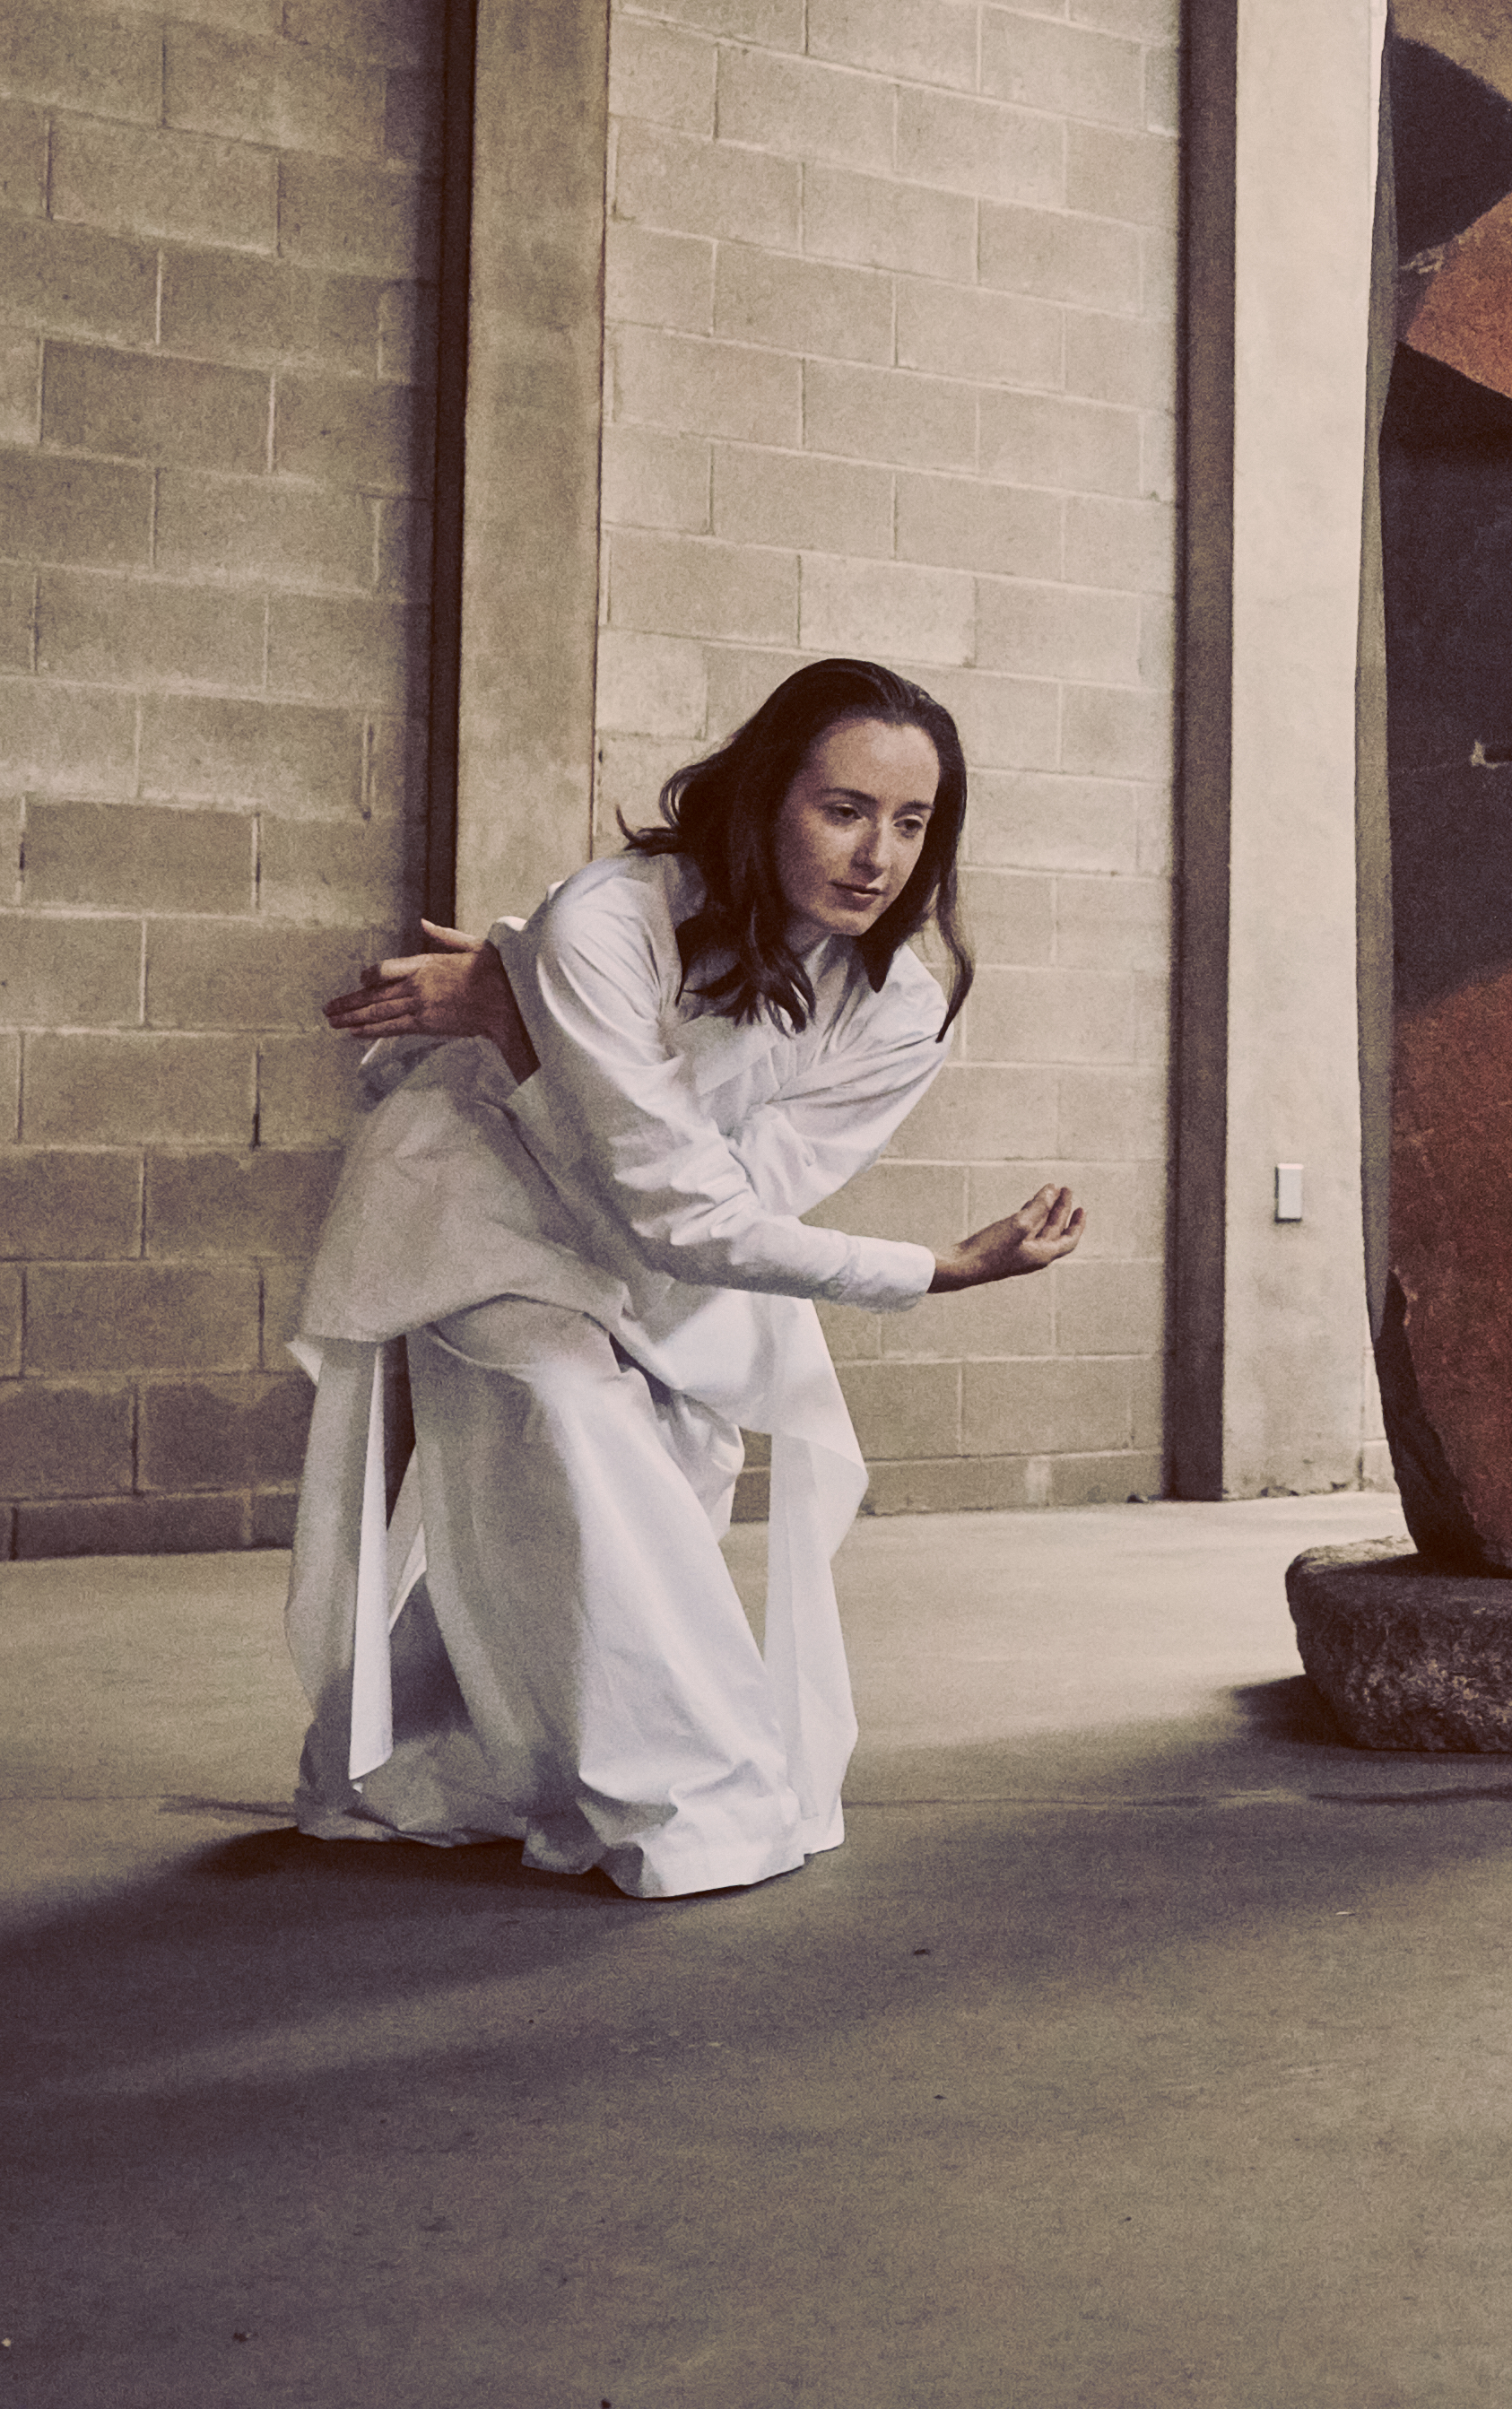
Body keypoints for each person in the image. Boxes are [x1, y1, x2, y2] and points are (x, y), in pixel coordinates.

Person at [280, 657, 1084, 1897]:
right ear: (764, 801)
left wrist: (516, 1016)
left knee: (637, 1496)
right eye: (843, 808)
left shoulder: (902, 1008)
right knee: (568, 1421)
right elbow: (676, 1200)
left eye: (912, 822)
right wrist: (939, 1268)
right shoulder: (608, 920)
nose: (878, 855)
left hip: (670, 1256)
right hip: (476, 1211)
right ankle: (701, 1804)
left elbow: (733, 1199)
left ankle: (457, 1762)